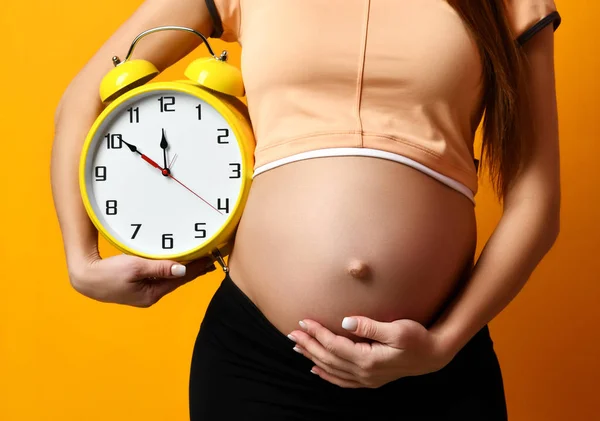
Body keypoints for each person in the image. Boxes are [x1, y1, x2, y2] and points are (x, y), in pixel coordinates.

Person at [51, 0, 562, 419]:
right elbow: (83, 97)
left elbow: (536, 196)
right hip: (258, 365)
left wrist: (443, 345)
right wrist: (82, 260)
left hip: (436, 369)